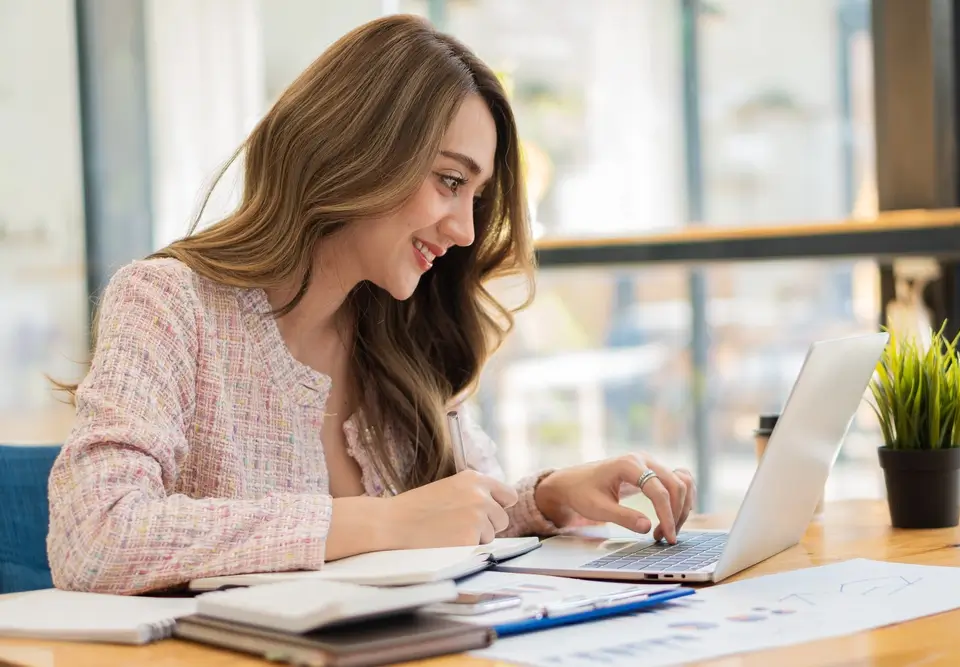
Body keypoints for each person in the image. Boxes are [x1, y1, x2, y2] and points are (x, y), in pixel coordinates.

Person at [46, 14, 696, 596]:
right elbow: (95, 535)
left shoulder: (399, 329)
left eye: (475, 195)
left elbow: (459, 509)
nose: (466, 230)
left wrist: (547, 497)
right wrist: (382, 522)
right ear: (358, 149)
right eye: (449, 181)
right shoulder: (169, 302)